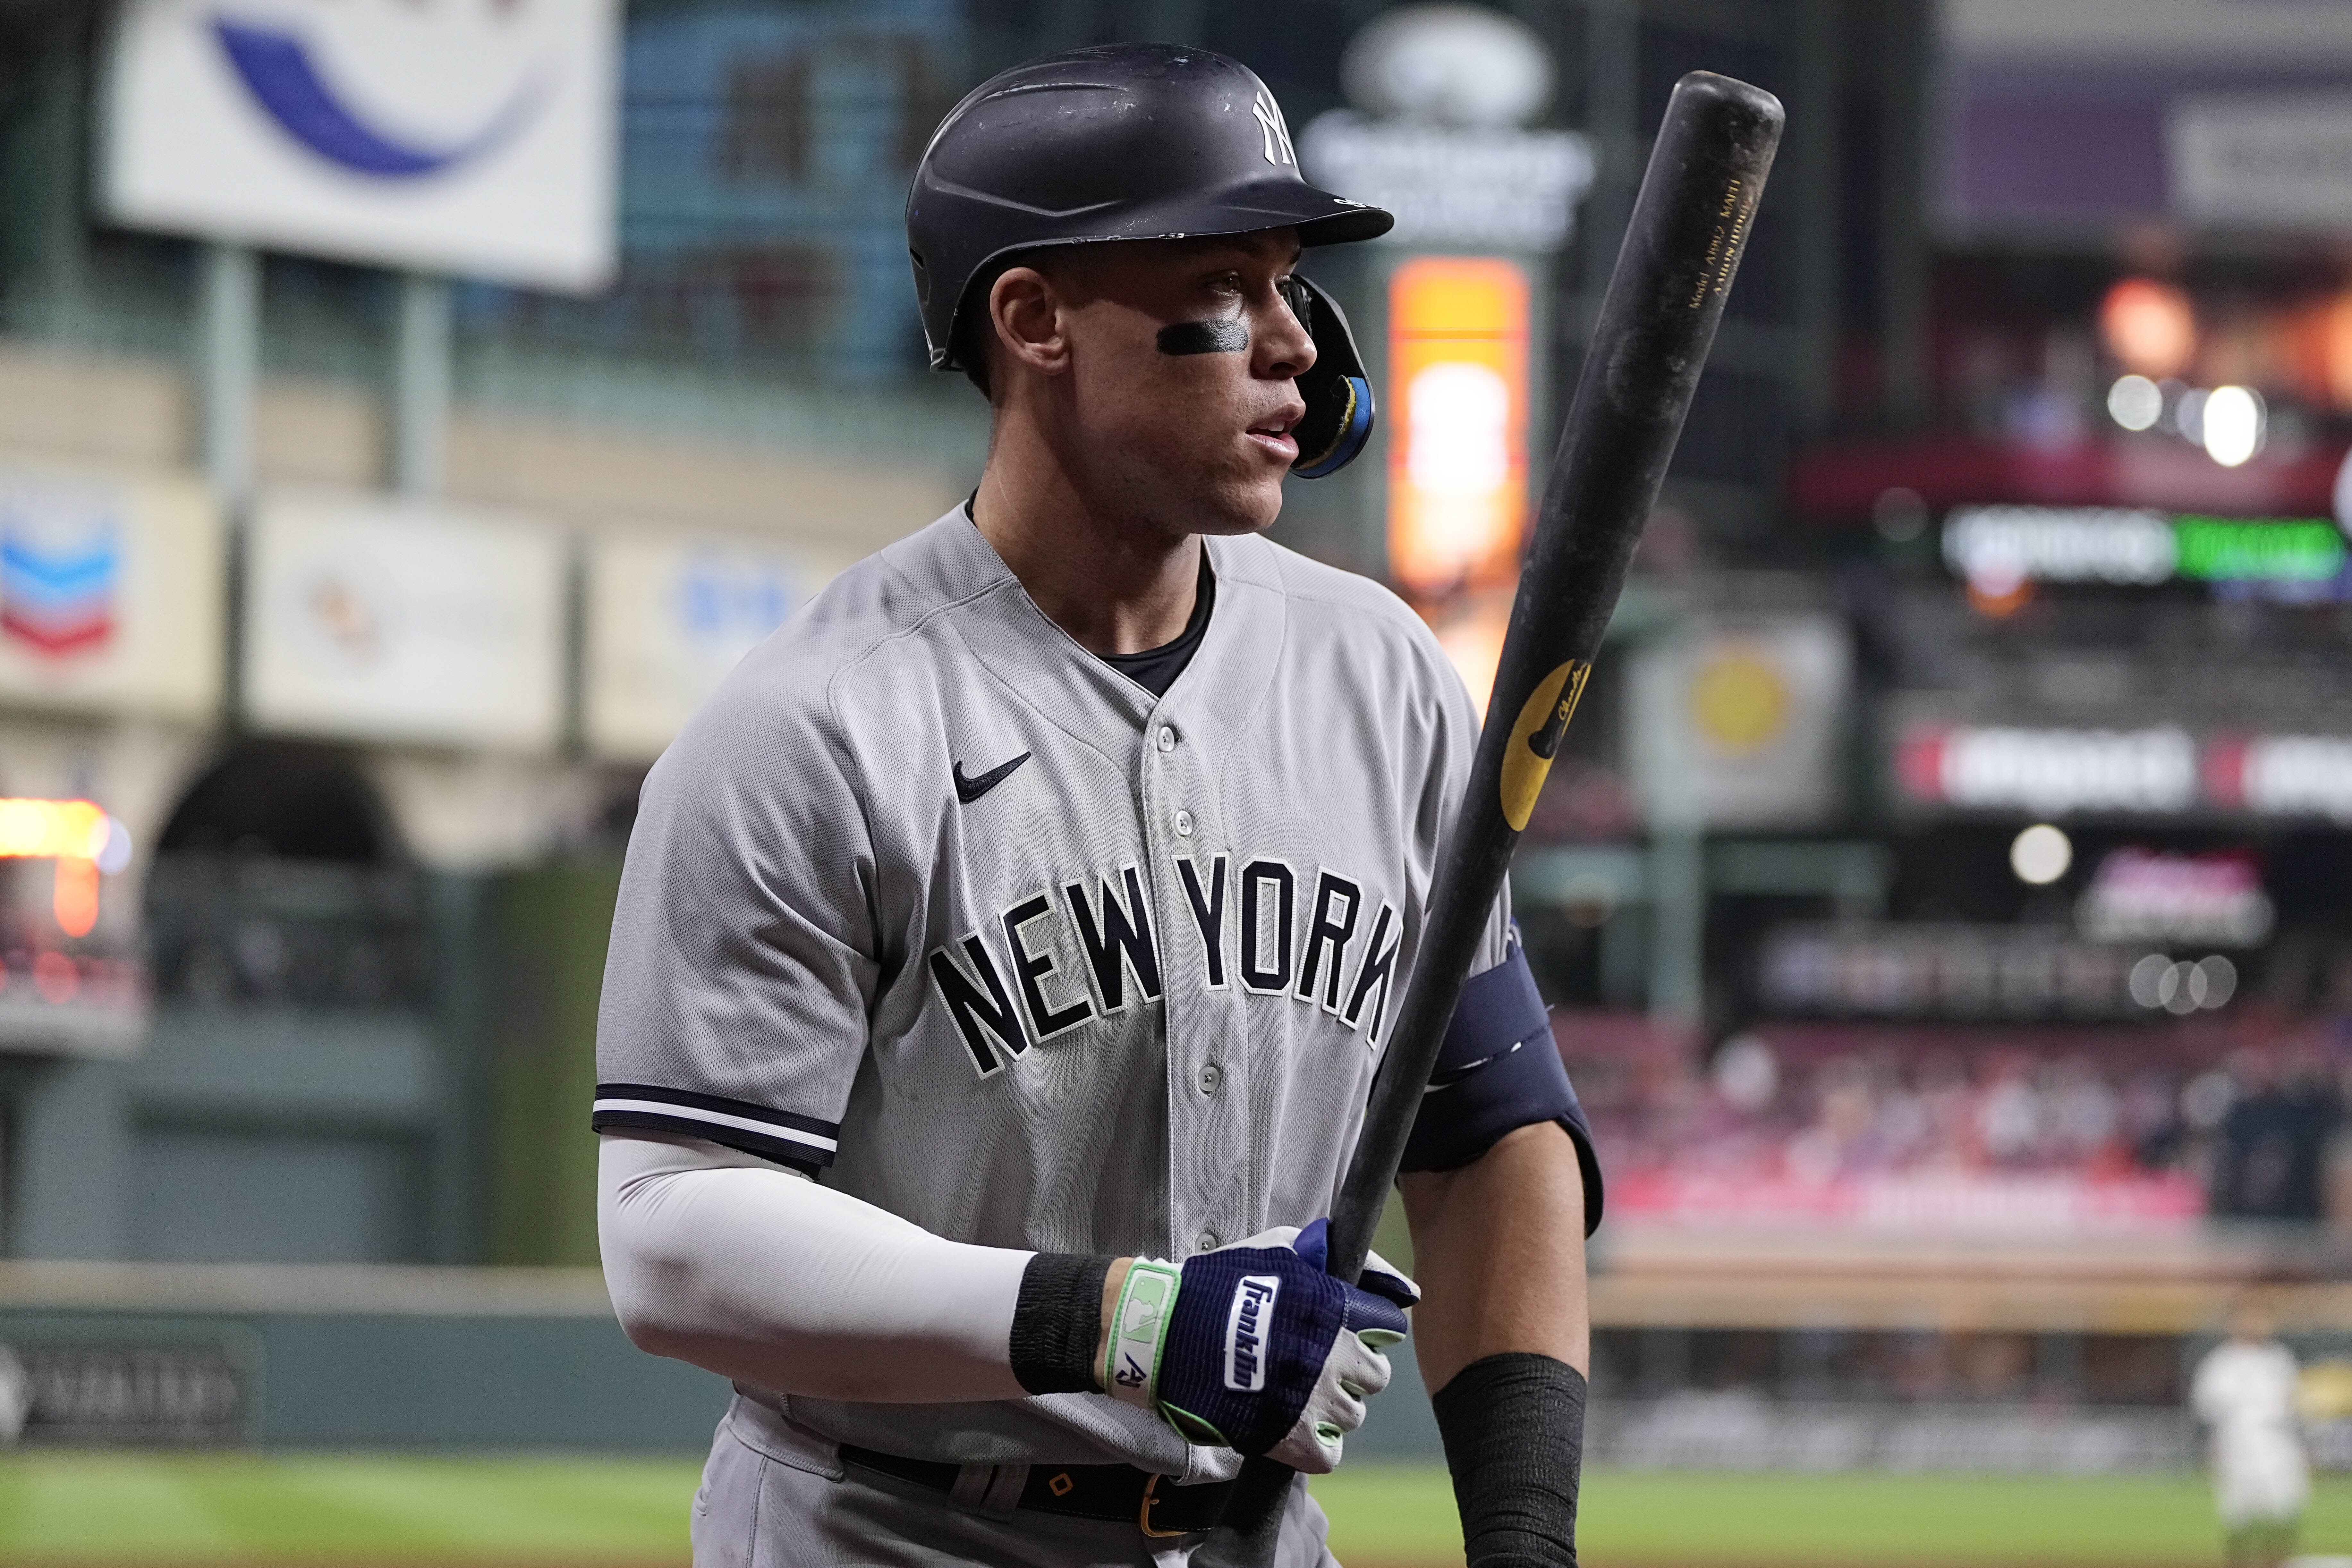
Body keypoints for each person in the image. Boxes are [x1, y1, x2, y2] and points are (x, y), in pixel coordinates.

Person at [591, 43, 1601, 1566]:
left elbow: (1491, 1136)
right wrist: (1117, 1319)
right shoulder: (811, 728)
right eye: (1228, 280)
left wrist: (1523, 1540)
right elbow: (674, 1234)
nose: (1294, 348)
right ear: (1032, 319)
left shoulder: (1379, 673)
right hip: (889, 1529)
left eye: (1289, 286)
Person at [2190, 1301, 2309, 1568]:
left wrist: (2303, 1445)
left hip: (2277, 1444)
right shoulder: (2220, 1362)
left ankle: (2277, 1562)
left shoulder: (2279, 1358)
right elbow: (2208, 1408)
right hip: (2239, 1444)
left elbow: (2294, 1404)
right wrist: (2213, 1447)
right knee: (2238, 1513)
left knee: (2283, 1508)